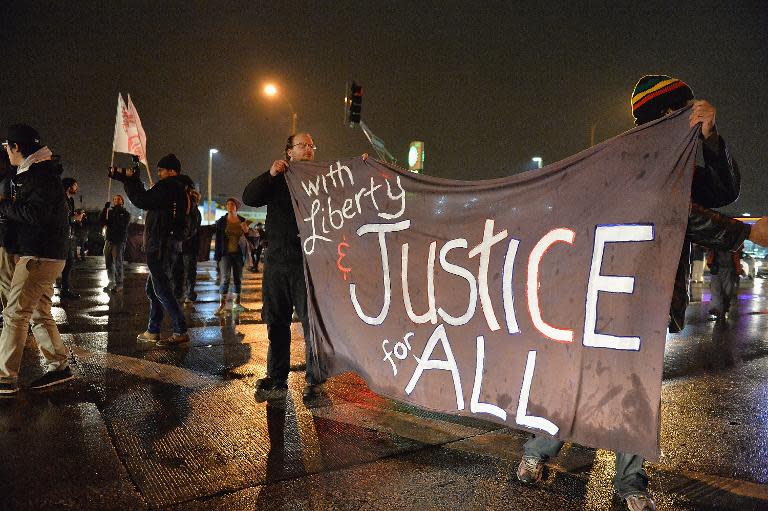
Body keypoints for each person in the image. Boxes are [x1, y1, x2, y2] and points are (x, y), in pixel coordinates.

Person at [516, 75, 768, 511]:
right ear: (666, 115)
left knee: (628, 384)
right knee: (595, 379)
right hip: (610, 293)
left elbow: (723, 192)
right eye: (685, 109)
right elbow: (679, 216)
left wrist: (711, 139)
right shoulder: (633, 161)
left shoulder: (679, 160)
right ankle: (572, 465)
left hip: (647, 295)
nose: (694, 114)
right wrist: (744, 233)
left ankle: (601, 474)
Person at [242, 132, 325, 402]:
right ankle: (277, 378)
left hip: (307, 264)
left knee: (312, 324)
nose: (308, 149)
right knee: (276, 322)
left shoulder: (321, 180)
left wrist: (360, 165)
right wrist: (271, 174)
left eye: (311, 146)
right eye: (302, 145)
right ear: (289, 151)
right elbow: (249, 197)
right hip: (277, 262)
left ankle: (315, 380)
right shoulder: (278, 180)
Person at [0, 124, 73, 395]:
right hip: (45, 254)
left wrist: (3, 205)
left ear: (16, 147)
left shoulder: (38, 175)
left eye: (8, 146)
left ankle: (5, 377)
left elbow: (35, 215)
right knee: (40, 312)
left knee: (14, 314)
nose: (6, 152)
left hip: (40, 255)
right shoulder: (37, 172)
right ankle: (59, 365)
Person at [110, 153, 189, 344]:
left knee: (160, 289)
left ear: (172, 171)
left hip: (160, 244)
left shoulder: (169, 186)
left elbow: (142, 200)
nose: (159, 173)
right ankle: (153, 330)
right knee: (154, 290)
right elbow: (147, 199)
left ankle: (180, 330)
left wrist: (130, 180)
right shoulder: (177, 188)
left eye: (161, 169)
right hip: (166, 243)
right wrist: (130, 179)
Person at [214, 198, 250, 314]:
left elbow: (248, 237)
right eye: (228, 204)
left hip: (238, 254)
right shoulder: (222, 221)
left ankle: (237, 304)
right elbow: (218, 240)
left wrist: (246, 231)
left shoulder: (242, 220)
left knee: (237, 278)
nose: (229, 206)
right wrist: (217, 255)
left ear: (236, 207)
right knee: (225, 279)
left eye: (232, 204)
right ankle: (222, 305)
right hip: (225, 254)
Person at [171, 177, 202, 306]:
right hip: (179, 246)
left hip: (189, 246)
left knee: (189, 271)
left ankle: (189, 293)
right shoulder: (181, 210)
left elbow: (192, 228)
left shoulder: (195, 212)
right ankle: (179, 294)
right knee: (177, 271)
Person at [99, 194, 131, 293]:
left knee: (118, 263)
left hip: (119, 241)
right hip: (109, 240)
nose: (116, 200)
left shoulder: (125, 213)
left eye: (118, 199)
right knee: (108, 262)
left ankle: (119, 283)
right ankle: (111, 282)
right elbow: (102, 220)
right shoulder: (110, 212)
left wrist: (112, 214)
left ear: (122, 201)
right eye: (114, 199)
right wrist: (105, 209)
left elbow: (120, 224)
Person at [59, 177, 84, 299]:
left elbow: (69, 216)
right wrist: (73, 218)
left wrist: (76, 217)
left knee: (69, 262)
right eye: (75, 186)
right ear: (69, 187)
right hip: (59, 236)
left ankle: (65, 289)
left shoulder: (70, 200)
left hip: (68, 236)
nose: (77, 188)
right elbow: (59, 218)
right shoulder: (60, 199)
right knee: (56, 263)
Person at [706, 248, 742, 319]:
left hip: (729, 270)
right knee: (716, 290)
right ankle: (717, 309)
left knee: (727, 291)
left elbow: (737, 253)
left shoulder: (733, 241)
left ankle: (723, 308)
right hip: (717, 269)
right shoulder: (716, 241)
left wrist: (738, 269)